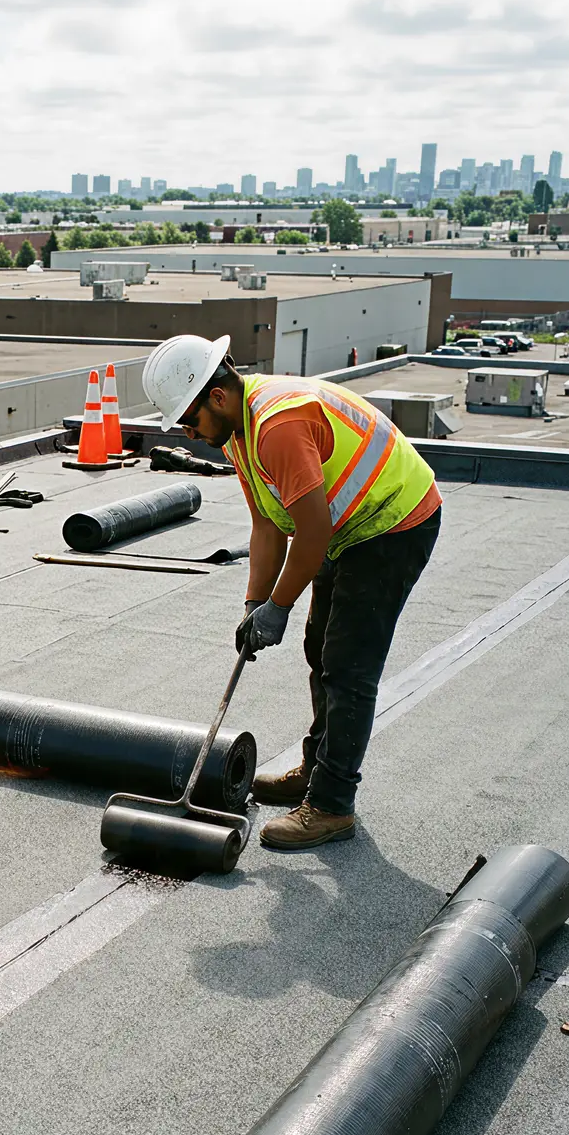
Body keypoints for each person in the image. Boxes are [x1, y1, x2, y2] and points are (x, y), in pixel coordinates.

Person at [141, 334, 442, 850]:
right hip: (348, 528)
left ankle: (330, 805)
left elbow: (312, 531)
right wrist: (254, 604)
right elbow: (267, 523)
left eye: (189, 422)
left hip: (394, 522)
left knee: (348, 666)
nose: (189, 434)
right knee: (318, 646)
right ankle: (316, 769)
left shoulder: (277, 426)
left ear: (217, 396)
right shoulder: (237, 431)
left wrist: (279, 606)